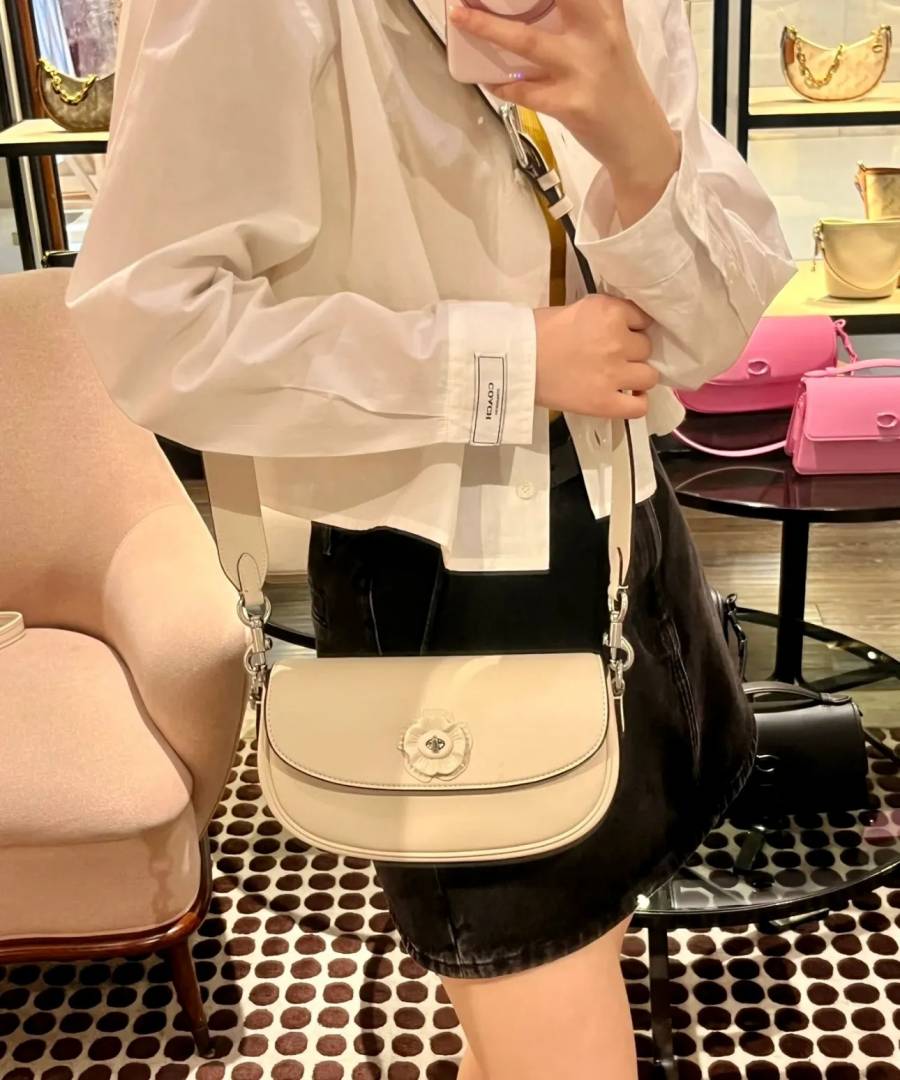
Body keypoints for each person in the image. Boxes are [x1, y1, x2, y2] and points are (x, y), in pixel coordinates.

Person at [66, 1, 796, 1076]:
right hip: (443, 577)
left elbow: (700, 335)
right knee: (540, 1001)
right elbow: (156, 326)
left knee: (550, 987)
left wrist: (639, 143)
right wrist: (507, 362)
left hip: (624, 517)